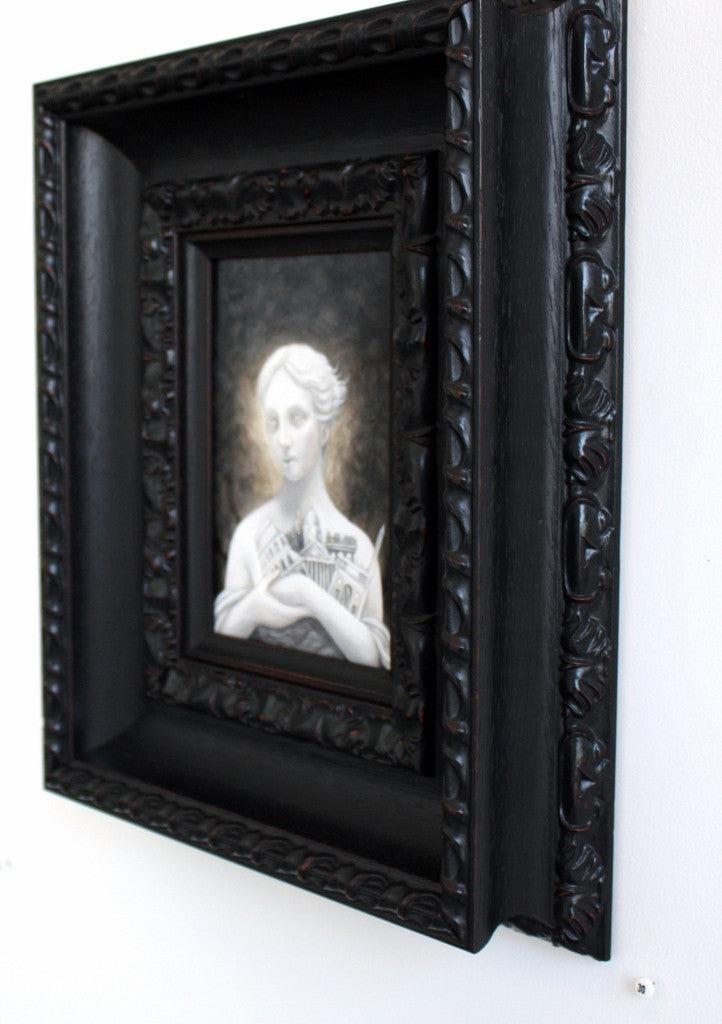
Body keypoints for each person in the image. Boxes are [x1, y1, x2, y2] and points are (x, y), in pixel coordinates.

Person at [214, 343, 390, 670]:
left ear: (324, 430)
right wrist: (253, 608)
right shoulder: (248, 535)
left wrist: (307, 594)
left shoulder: (360, 547)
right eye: (273, 422)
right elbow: (218, 642)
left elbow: (373, 659)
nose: (283, 440)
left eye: (296, 418)